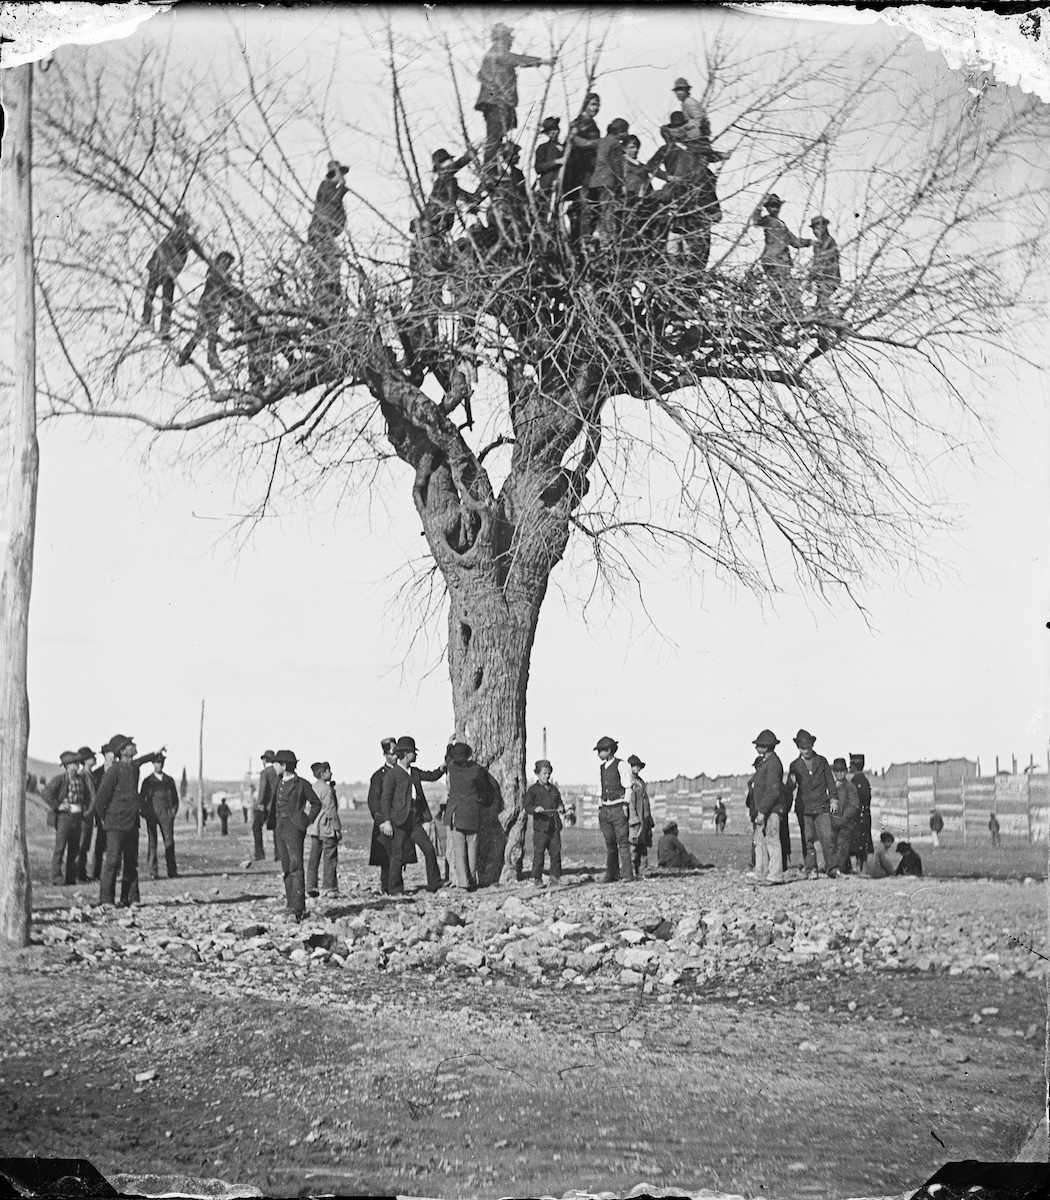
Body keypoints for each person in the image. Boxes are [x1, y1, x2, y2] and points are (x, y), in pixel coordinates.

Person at [94, 734, 163, 908]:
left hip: (132, 822)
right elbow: (100, 799)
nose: (134, 745)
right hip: (115, 824)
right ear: (123, 751)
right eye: (130, 744)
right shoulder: (113, 771)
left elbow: (142, 760)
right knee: (112, 862)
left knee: (131, 862)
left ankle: (131, 898)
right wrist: (105, 819)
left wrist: (155, 753)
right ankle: (106, 899)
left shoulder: (133, 767)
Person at [474, 24, 554, 171]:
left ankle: (493, 167)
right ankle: (489, 169)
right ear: (502, 38)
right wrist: (541, 61)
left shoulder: (495, 52)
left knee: (497, 137)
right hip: (496, 102)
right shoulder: (497, 51)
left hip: (497, 102)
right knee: (495, 137)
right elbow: (515, 59)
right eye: (509, 37)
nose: (511, 40)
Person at [378, 736, 446, 895]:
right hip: (398, 822)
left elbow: (431, 776)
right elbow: (385, 800)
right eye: (413, 752)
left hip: (414, 821)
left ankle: (434, 883)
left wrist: (443, 767)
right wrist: (387, 821)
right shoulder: (392, 775)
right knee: (397, 855)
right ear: (406, 754)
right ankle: (395, 890)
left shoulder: (414, 772)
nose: (415, 755)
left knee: (429, 849)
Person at [367, 737, 416, 894]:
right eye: (392, 754)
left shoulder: (402, 772)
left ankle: (394, 888)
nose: (395, 756)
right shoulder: (379, 776)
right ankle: (387, 888)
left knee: (398, 855)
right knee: (386, 857)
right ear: (385, 755)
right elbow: (374, 801)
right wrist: (382, 821)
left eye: (397, 753)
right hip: (385, 822)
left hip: (399, 820)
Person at [443, 742, 495, 891]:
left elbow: (447, 757)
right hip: (473, 813)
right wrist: (484, 802)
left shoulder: (451, 767)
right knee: (473, 847)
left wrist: (449, 743)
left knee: (459, 850)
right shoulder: (477, 770)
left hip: (456, 814)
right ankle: (473, 880)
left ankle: (463, 883)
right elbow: (486, 788)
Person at [787, 728, 838, 879]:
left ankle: (832, 869)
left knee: (827, 838)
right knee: (807, 839)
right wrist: (791, 782)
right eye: (803, 748)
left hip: (822, 805)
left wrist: (834, 799)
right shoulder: (794, 765)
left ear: (812, 746)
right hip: (804, 808)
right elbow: (790, 787)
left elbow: (830, 781)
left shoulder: (822, 761)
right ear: (798, 748)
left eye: (808, 747)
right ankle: (811, 869)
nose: (806, 750)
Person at [176, 251, 240, 370]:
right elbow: (212, 280)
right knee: (203, 334)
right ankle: (189, 357)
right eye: (225, 261)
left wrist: (231, 305)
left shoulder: (227, 277)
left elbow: (227, 293)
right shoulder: (213, 270)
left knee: (209, 334)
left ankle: (208, 360)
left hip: (216, 307)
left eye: (228, 263)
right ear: (220, 260)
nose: (226, 264)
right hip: (206, 305)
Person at [749, 194, 811, 312]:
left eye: (777, 206)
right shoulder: (768, 220)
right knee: (776, 290)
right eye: (772, 206)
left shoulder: (781, 223)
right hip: (772, 261)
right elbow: (756, 221)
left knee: (787, 289)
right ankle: (774, 314)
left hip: (783, 262)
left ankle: (789, 313)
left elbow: (794, 241)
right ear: (767, 208)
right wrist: (760, 205)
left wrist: (809, 242)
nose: (775, 209)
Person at [142, 211, 197, 338]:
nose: (183, 225)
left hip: (168, 271)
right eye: (182, 223)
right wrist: (153, 265)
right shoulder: (173, 235)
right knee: (150, 295)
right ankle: (146, 320)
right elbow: (160, 250)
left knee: (167, 301)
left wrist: (174, 270)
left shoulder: (184, 238)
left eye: (185, 224)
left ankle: (164, 329)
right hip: (158, 268)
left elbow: (182, 256)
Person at [306, 159, 349, 301]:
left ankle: (332, 288)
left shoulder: (332, 188)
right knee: (327, 259)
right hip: (321, 232)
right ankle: (327, 288)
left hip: (327, 232)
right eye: (339, 174)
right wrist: (342, 188)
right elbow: (332, 201)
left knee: (332, 258)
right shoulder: (326, 186)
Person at [582, 118, 629, 244]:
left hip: (594, 181)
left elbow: (584, 143)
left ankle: (592, 235)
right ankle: (603, 236)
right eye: (625, 131)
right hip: (607, 181)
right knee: (607, 209)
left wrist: (573, 137)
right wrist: (622, 183)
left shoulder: (601, 141)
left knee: (596, 210)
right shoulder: (615, 144)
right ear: (619, 132)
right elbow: (617, 166)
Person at [594, 736, 633, 883]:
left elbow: (628, 787)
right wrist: (600, 808)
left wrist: (625, 805)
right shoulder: (601, 768)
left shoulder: (621, 765)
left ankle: (627, 875)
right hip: (605, 809)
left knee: (622, 842)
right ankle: (612, 874)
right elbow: (599, 790)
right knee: (610, 844)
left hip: (618, 808)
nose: (599, 754)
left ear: (609, 750)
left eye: (600, 751)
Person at [563, 94, 602, 242]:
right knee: (584, 205)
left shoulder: (592, 124)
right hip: (580, 171)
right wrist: (597, 143)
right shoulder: (579, 123)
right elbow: (577, 142)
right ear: (586, 105)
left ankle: (585, 238)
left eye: (597, 105)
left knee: (591, 205)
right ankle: (582, 240)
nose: (595, 108)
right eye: (592, 104)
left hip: (591, 170)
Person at [45, 752, 87, 886]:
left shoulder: (81, 779)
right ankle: (56, 877)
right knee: (60, 847)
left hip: (77, 816)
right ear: (67, 766)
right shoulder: (59, 779)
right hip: (64, 817)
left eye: (77, 763)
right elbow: (47, 793)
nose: (77, 766)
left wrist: (84, 807)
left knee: (74, 848)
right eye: (74, 764)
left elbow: (86, 795)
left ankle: (70, 877)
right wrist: (58, 806)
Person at [750, 730, 785, 885]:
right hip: (764, 810)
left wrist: (763, 812)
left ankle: (776, 875)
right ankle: (761, 873)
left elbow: (773, 791)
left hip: (771, 810)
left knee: (771, 840)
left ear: (765, 747)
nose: (756, 747)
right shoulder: (767, 762)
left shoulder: (773, 764)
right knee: (761, 842)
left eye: (759, 745)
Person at [139, 752, 180, 879]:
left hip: (166, 815)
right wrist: (145, 813)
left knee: (169, 842)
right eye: (157, 762)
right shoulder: (148, 781)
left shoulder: (169, 780)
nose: (159, 765)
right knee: (152, 843)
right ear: (153, 764)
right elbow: (142, 799)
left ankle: (172, 871)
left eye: (161, 762)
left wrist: (172, 812)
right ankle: (152, 871)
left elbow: (175, 799)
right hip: (152, 814)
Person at [524, 759, 564, 887]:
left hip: (554, 827)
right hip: (540, 829)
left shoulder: (554, 789)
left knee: (555, 853)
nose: (547, 776)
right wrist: (535, 809)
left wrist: (561, 808)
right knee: (539, 854)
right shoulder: (533, 790)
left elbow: (560, 803)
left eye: (549, 773)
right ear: (537, 774)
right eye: (544, 773)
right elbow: (527, 806)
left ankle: (555, 878)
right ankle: (537, 879)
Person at [306, 761, 341, 899]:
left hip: (314, 828)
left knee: (313, 858)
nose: (331, 773)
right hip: (327, 828)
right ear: (323, 773)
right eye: (329, 771)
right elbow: (331, 811)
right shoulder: (327, 790)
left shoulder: (313, 787)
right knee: (330, 857)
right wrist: (337, 828)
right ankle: (329, 887)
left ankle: (311, 886)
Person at [89, 740, 116, 881]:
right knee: (100, 842)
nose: (112, 757)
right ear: (105, 755)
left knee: (115, 843)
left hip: (115, 812)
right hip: (101, 812)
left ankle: (115, 872)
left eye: (113, 754)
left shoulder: (118, 770)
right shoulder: (97, 773)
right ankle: (96, 872)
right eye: (110, 754)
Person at [829, 757, 861, 876]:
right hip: (833, 822)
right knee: (833, 846)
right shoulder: (831, 787)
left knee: (842, 846)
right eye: (836, 771)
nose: (839, 774)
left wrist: (844, 817)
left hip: (845, 824)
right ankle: (836, 867)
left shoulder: (850, 787)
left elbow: (854, 805)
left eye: (841, 771)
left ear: (846, 771)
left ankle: (839, 869)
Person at [626, 754, 655, 878]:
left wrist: (649, 818)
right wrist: (633, 819)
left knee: (643, 845)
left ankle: (642, 870)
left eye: (638, 766)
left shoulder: (641, 782)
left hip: (644, 818)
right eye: (634, 766)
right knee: (633, 844)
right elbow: (629, 803)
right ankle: (632, 870)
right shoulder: (628, 783)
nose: (637, 768)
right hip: (634, 819)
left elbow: (646, 802)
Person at [74, 746, 99, 883]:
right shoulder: (83, 775)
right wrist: (87, 811)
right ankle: (78, 874)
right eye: (91, 757)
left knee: (85, 844)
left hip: (89, 815)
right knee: (82, 844)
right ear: (85, 760)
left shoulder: (89, 774)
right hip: (85, 815)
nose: (94, 759)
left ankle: (81, 873)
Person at [808, 216, 841, 309]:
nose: (815, 231)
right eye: (814, 229)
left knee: (822, 304)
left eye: (817, 228)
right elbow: (816, 263)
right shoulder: (818, 244)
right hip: (821, 279)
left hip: (829, 278)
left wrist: (811, 276)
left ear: (824, 228)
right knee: (820, 304)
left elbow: (823, 262)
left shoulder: (829, 242)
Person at [533, 116, 564, 213]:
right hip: (548, 186)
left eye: (555, 129)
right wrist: (556, 162)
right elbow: (538, 167)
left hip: (563, 185)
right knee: (548, 212)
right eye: (550, 131)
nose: (553, 132)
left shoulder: (565, 147)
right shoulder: (543, 148)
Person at [849, 753, 873, 871]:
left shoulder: (856, 780)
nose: (849, 767)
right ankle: (862, 869)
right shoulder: (864, 780)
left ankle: (860, 869)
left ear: (854, 766)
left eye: (851, 765)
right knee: (862, 844)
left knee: (858, 845)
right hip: (864, 816)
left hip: (858, 817)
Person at [253, 750, 278, 863]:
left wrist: (260, 803)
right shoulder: (278, 772)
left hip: (265, 806)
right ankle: (279, 855)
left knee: (256, 828)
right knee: (276, 831)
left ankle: (259, 854)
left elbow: (263, 789)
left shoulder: (264, 772)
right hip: (276, 806)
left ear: (264, 760)